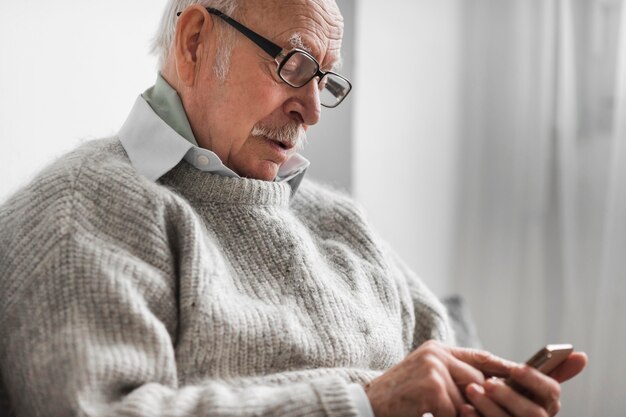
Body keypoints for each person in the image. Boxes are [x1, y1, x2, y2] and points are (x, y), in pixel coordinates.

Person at [0, 1, 587, 416]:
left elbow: (436, 371)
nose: (312, 108)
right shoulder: (83, 207)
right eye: (294, 65)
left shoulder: (340, 222)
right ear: (197, 40)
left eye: (324, 80)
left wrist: (485, 402)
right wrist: (361, 404)